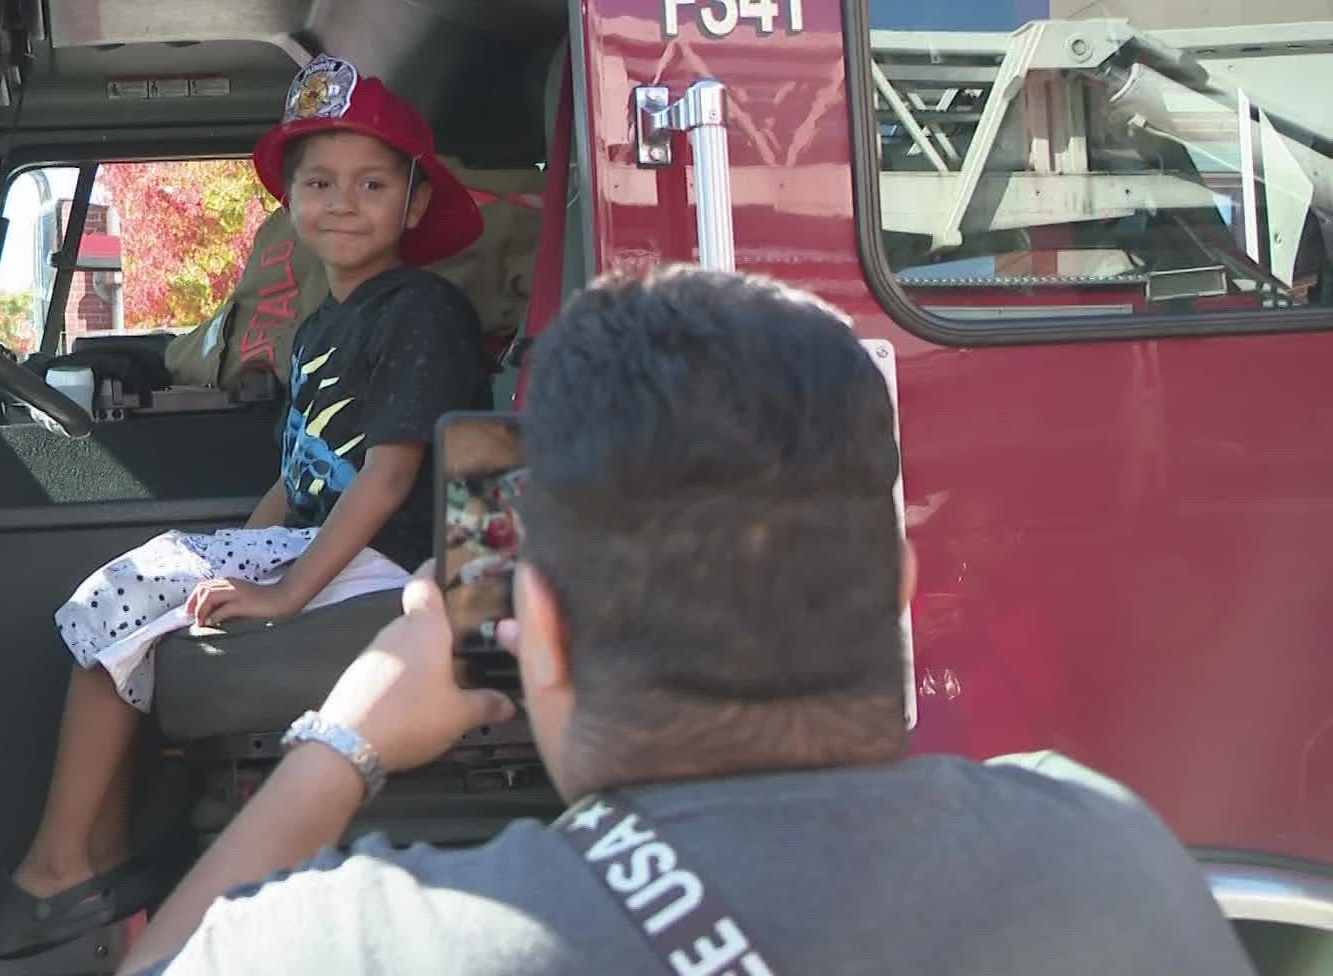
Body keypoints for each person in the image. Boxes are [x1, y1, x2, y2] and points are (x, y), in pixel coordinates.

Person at [113, 265, 1258, 975]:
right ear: (897, 588)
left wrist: (344, 740)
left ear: (540, 630)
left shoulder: (376, 940)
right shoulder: (1114, 853)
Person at [0, 54, 497, 958]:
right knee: (137, 587)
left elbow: (386, 475)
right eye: (320, 183)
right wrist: (233, 553)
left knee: (124, 590)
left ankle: (63, 865)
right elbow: (298, 469)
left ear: (414, 204)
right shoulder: (322, 325)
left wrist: (282, 591)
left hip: (398, 559)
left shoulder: (421, 311)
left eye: (372, 183)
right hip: (323, 538)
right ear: (290, 202)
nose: (343, 201)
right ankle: (97, 851)